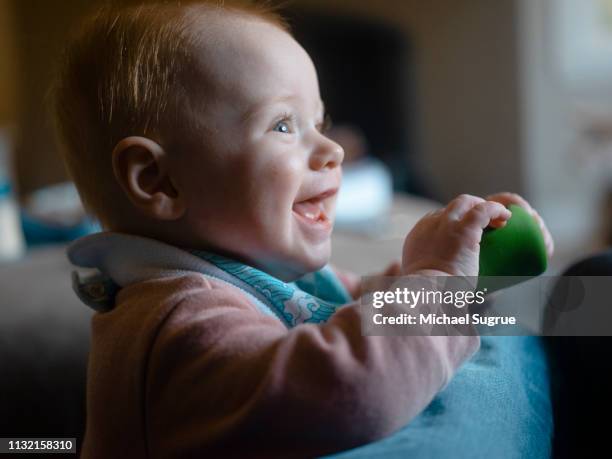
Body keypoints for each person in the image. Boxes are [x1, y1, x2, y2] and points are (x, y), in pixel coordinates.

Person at [53, 1, 554, 457]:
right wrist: (438, 279)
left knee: (578, 308)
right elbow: (351, 390)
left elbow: (357, 308)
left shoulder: (248, 266)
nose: (332, 150)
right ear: (159, 180)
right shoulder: (180, 322)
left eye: (320, 122)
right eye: (283, 126)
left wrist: (468, 263)